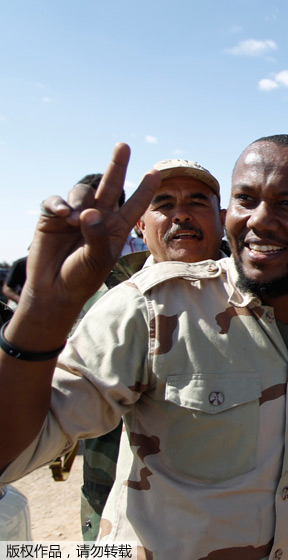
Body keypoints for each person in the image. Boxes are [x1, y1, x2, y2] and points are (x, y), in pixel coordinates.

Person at [0, 135, 288, 559]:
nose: (259, 220)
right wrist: (38, 317)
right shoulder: (150, 308)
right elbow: (13, 454)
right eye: (246, 199)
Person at [79, 158, 226, 541]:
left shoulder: (258, 295)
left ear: (222, 218)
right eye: (164, 204)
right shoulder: (103, 290)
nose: (182, 215)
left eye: (197, 202)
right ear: (140, 226)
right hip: (112, 500)